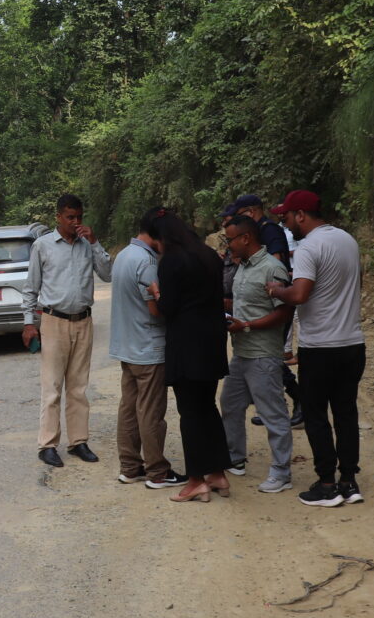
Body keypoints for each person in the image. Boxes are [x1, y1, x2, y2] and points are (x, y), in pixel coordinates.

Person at [266, 190, 366, 507]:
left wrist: (275, 289)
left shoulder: (309, 246)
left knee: (316, 415)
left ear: (301, 215)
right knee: (346, 413)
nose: (286, 225)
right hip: (352, 342)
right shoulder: (348, 240)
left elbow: (300, 295)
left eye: (286, 218)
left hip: (320, 345)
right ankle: (349, 481)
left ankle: (326, 484)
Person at [21, 193, 112, 468]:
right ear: (58, 217)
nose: (75, 223)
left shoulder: (87, 245)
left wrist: (95, 242)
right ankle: (47, 444)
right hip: (54, 321)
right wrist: (28, 323)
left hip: (83, 321)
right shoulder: (43, 246)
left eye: (79, 218)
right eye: (70, 217)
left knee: (78, 387)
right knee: (52, 387)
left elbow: (108, 273)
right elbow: (31, 287)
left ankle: (78, 441)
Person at [146, 211, 231, 502]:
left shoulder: (171, 261)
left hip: (187, 343)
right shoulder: (207, 255)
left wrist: (156, 293)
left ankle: (196, 479)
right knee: (208, 407)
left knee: (190, 412)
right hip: (212, 340)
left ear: (162, 237)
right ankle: (218, 473)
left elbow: (169, 307)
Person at [220, 216, 294, 492]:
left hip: (263, 354)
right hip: (242, 352)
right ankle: (234, 458)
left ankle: (281, 472)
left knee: (273, 414)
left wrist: (248, 325)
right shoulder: (244, 268)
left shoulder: (271, 268)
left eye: (230, 239)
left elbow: (284, 311)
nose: (228, 245)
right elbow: (245, 302)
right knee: (230, 404)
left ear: (246, 238)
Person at [109, 207, 182, 487]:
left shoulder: (124, 256)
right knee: (151, 412)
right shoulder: (148, 262)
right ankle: (157, 471)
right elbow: (155, 310)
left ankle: (130, 467)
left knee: (129, 408)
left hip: (127, 347)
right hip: (147, 348)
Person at [236, 193, 303, 426]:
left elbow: (274, 263)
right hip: (266, 297)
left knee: (270, 353)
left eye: (241, 216)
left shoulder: (269, 230)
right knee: (265, 356)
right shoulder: (261, 229)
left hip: (273, 298)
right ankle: (272, 405)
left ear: (252, 211)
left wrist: (270, 292)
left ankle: (295, 399)